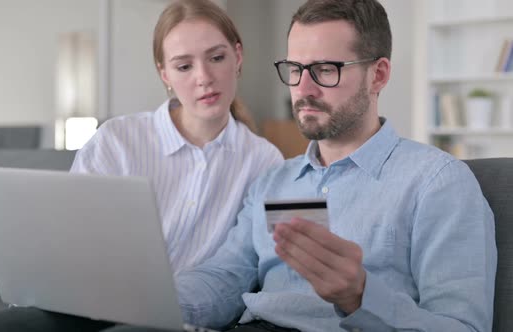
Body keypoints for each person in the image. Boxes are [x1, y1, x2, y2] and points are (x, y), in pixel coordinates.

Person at [113, 0, 496, 331]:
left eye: (326, 69)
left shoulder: (437, 183)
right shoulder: (273, 181)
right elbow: (225, 278)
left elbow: (462, 326)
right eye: (295, 69)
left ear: (377, 75)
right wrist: (149, 300)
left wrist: (360, 295)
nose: (303, 89)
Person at [0, 0, 282, 331]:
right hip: (90, 305)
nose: (204, 77)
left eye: (216, 58)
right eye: (184, 66)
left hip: (184, 318)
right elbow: (70, 242)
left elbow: (255, 269)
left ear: (238, 56)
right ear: (165, 74)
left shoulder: (264, 161)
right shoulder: (117, 140)